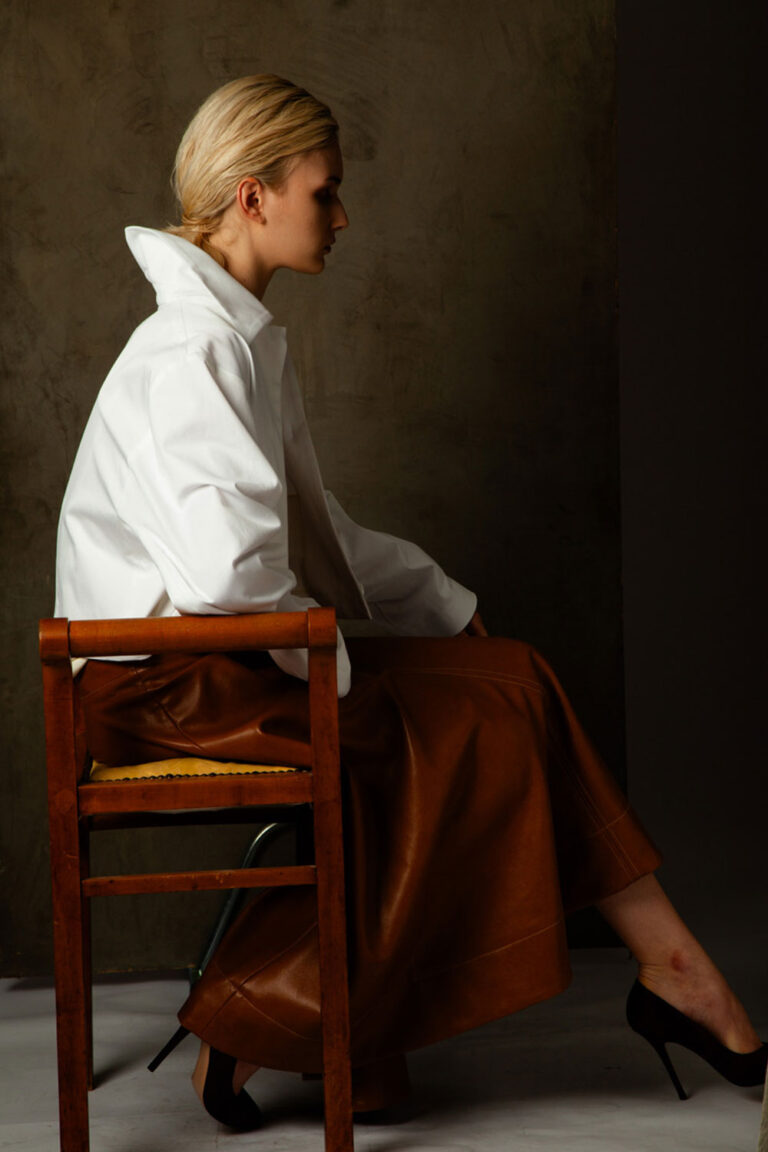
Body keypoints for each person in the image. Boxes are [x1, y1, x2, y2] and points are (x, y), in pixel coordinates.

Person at [55, 74, 766, 1131]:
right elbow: (226, 578)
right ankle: (261, 1014)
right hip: (165, 691)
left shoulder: (233, 336)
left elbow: (311, 532)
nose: (342, 217)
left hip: (218, 664)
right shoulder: (192, 352)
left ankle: (672, 970)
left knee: (514, 675)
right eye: (325, 192)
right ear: (254, 197)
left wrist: (437, 601)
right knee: (461, 729)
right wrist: (338, 666)